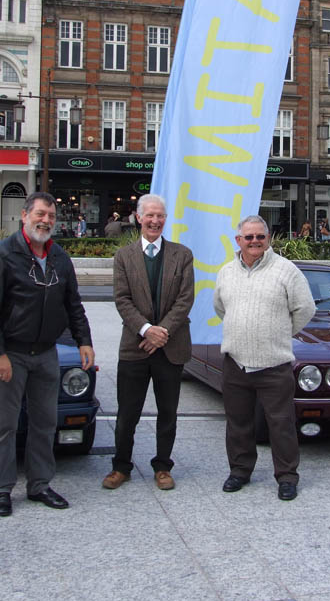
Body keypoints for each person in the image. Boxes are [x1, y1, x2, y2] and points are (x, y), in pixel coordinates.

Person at [0, 192, 95, 517]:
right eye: (41, 214)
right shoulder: (2, 255)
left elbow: (73, 304)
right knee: (5, 425)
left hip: (45, 354)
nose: (46, 221)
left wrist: (84, 340)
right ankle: (2, 489)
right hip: (10, 353)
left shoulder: (60, 258)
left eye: (52, 216)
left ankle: (39, 484)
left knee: (44, 422)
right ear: (24, 216)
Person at [213, 216, 315, 501]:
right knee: (237, 423)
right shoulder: (226, 272)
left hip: (274, 364)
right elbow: (221, 308)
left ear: (269, 238)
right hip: (236, 363)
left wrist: (278, 333)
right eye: (249, 237)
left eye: (260, 236)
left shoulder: (287, 271)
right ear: (239, 241)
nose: (255, 241)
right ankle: (239, 471)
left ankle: (286, 477)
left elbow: (305, 309)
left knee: (281, 424)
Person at [102, 194, 194, 492]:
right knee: (127, 413)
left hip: (170, 345)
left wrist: (161, 331)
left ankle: (163, 466)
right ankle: (121, 466)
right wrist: (145, 330)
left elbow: (185, 299)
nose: (155, 221)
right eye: (150, 215)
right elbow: (122, 299)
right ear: (138, 218)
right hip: (135, 347)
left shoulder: (182, 255)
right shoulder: (123, 257)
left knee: (168, 412)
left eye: (160, 216)